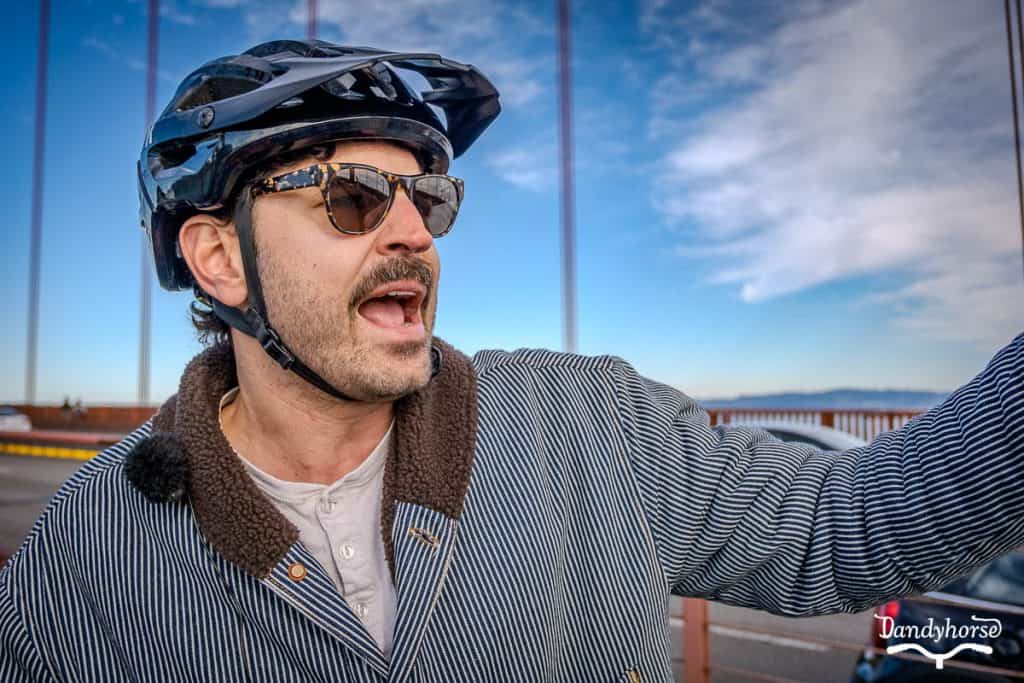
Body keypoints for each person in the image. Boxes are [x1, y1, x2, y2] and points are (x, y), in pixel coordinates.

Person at [1, 39, 1021, 682]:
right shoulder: (81, 562)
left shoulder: (592, 429)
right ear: (220, 256)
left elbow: (851, 524)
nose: (414, 235)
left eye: (428, 200)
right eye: (354, 195)